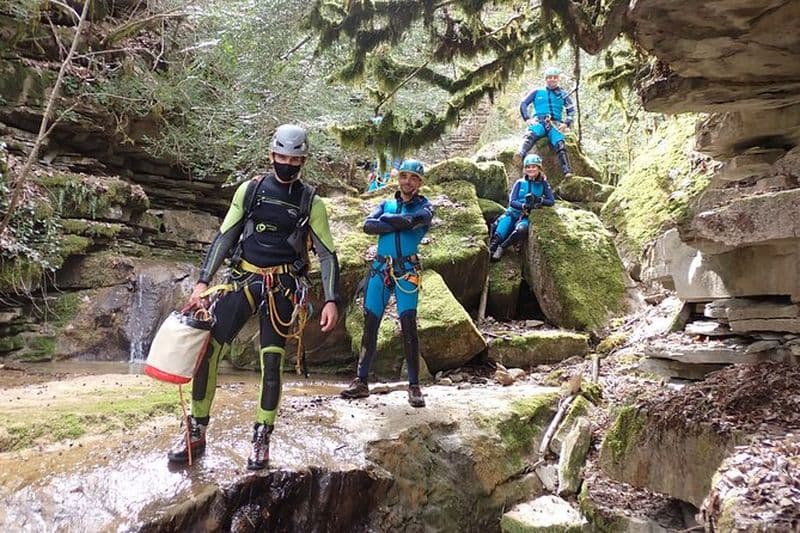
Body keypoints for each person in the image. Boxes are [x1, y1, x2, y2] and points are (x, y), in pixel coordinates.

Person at [167, 124, 341, 470]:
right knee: (209, 349)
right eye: (281, 157)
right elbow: (224, 237)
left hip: (283, 288)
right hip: (243, 278)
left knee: (272, 361)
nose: (286, 164)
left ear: (303, 161)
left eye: (294, 159)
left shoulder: (311, 202)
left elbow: (327, 254)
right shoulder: (250, 191)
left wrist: (332, 299)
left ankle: (262, 436)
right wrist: (203, 281)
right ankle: (196, 430)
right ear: (271, 155)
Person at [341, 159, 433, 408]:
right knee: (371, 324)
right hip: (381, 269)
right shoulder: (387, 203)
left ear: (420, 183)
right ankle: (361, 381)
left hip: (406, 270)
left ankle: (414, 386)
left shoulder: (425, 206)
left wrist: (389, 222)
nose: (408, 181)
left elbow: (416, 221)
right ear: (398, 178)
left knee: (408, 325)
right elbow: (368, 225)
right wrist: (399, 220)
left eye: (413, 178)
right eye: (404, 176)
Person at [489, 153, 555, 261]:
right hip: (512, 213)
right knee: (499, 233)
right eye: (528, 167)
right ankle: (490, 252)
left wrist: (539, 200)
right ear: (525, 169)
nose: (531, 169)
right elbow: (512, 201)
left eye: (533, 166)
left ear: (539, 168)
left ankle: (502, 247)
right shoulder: (519, 183)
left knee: (521, 229)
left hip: (525, 216)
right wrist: (523, 205)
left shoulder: (543, 184)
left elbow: (551, 201)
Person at [514, 66, 575, 178]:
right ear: (546, 79)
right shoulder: (537, 92)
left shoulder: (563, 94)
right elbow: (523, 104)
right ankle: (520, 154)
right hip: (539, 121)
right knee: (530, 134)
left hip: (555, 124)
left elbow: (571, 109)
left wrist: (566, 123)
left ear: (558, 79)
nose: (552, 79)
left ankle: (567, 171)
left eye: (554, 77)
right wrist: (527, 118)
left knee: (560, 143)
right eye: (549, 77)